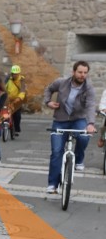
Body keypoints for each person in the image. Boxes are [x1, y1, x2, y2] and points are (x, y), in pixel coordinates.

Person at [43, 60, 97, 190]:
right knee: (56, 152)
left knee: (84, 136)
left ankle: (78, 159)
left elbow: (90, 106)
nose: (82, 75)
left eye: (85, 73)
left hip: (78, 119)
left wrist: (90, 124)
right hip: (60, 120)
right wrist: (48, 102)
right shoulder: (61, 82)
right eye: (79, 72)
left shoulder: (89, 88)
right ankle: (52, 184)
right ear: (73, 72)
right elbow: (48, 89)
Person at [4, 64, 27, 136]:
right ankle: (4, 126)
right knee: (4, 112)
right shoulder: (8, 78)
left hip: (18, 99)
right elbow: (3, 87)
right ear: (12, 73)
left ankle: (16, 129)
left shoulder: (22, 80)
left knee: (17, 115)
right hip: (8, 98)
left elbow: (23, 90)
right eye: (14, 74)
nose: (15, 75)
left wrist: (19, 98)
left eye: (17, 74)